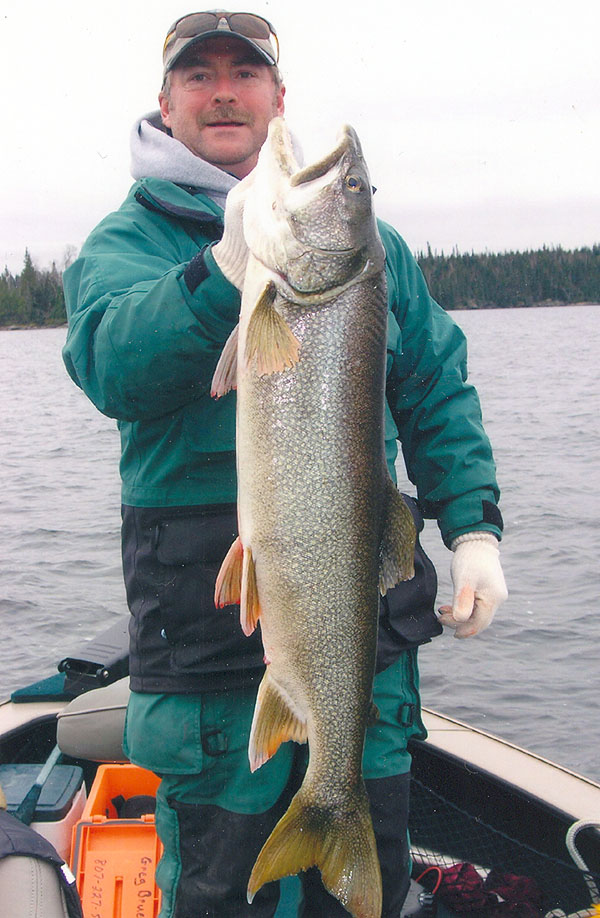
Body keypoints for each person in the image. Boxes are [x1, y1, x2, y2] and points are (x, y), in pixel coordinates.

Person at [62, 10, 508, 917]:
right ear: (166, 101)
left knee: (362, 881)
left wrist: (473, 526)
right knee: (224, 892)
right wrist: (222, 271)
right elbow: (113, 363)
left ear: (277, 96)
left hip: (359, 629)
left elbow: (434, 389)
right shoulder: (129, 245)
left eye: (244, 73)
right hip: (204, 638)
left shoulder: (372, 256)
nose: (223, 91)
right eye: (199, 75)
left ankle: (336, 814)